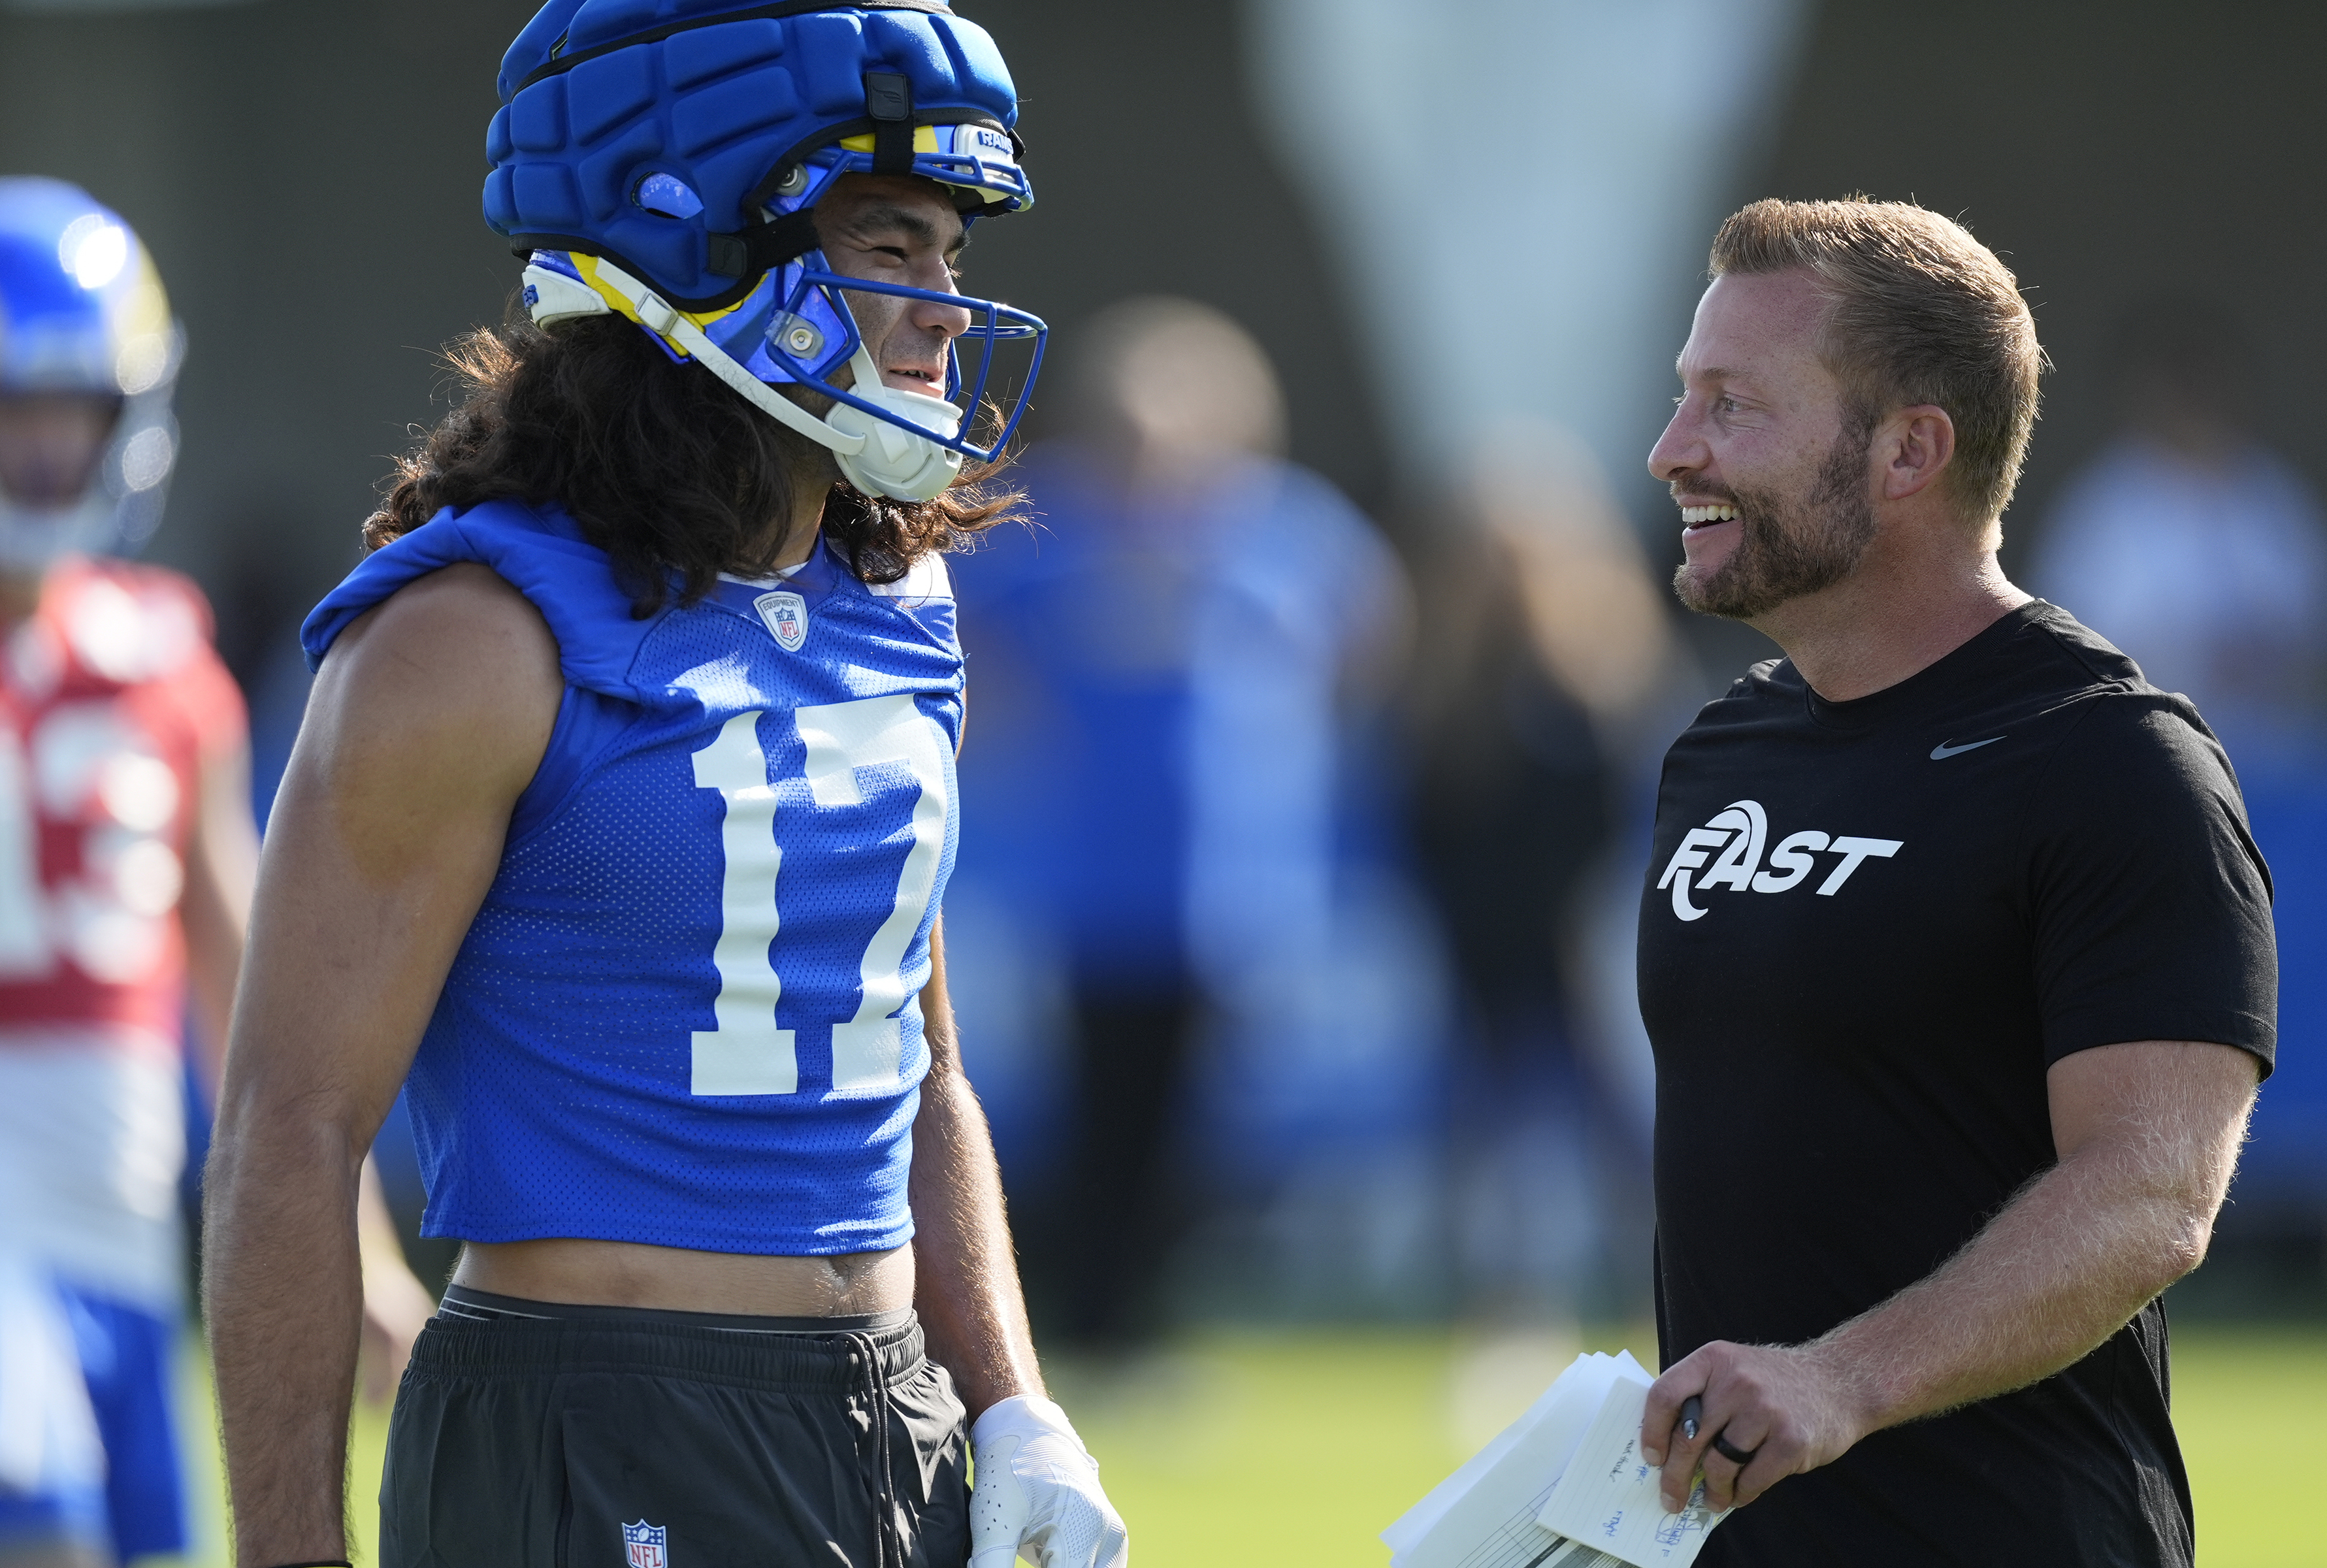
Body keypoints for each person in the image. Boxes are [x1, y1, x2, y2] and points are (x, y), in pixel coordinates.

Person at [201, 6, 1126, 1567]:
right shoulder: (469, 634)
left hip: (888, 1414)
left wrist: (1011, 1397)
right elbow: (289, 1126)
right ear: (698, 238)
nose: (947, 308)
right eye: (891, 242)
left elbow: (924, 1066)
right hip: (593, 1416)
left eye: (952, 252)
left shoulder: (898, 604)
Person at [1633, 197, 2273, 1567]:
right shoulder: (1724, 747)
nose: (1670, 450)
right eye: (1684, 397)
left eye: (1733, 407)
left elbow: (2153, 1194)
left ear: (1913, 448)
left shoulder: (2113, 764)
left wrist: (1839, 1383)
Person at [0, 177, 430, 1568]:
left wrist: (351, 1245)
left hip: (123, 1232)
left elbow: (245, 973)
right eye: (9, 421)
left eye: (64, 422)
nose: (38, 461)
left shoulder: (164, 651)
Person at [952, 297, 1404, 1345]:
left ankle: (1146, 1316)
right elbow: (955, 633)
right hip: (1080, 887)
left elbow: (1367, 647)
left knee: (1200, 1120)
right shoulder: (1040, 527)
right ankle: (1093, 1316)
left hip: (1234, 887)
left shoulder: (1285, 533)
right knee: (1085, 1110)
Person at [2032, 298, 2327, 756]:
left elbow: (2325, 631)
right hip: (2149, 758)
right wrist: (2190, 661)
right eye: (2177, 382)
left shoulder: (2273, 494)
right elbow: (2065, 656)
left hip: (2279, 763)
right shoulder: (2100, 508)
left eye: (2204, 379)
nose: (2192, 397)